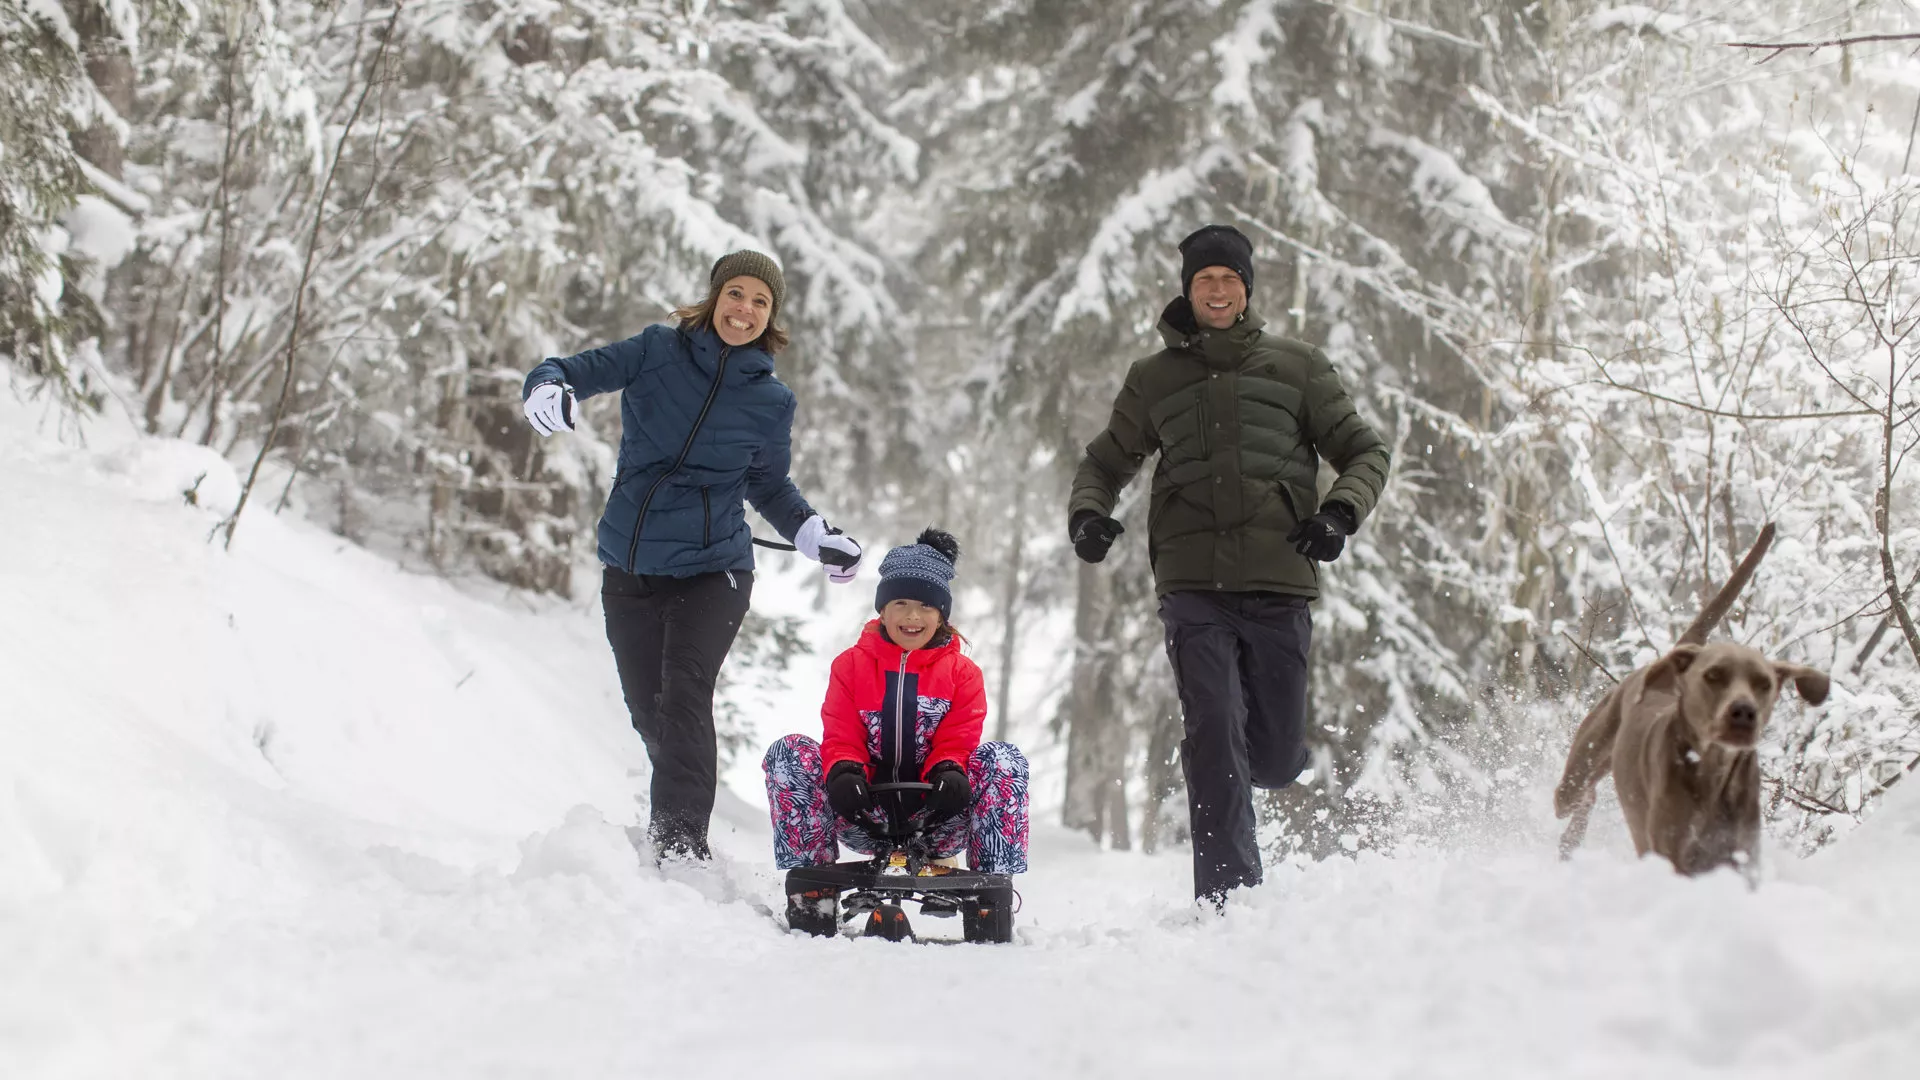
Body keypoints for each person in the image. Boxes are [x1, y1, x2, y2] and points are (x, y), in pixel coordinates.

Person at [1066, 224, 1390, 905]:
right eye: (1204, 280)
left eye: (1229, 280)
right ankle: (1228, 897)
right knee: (1212, 730)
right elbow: (1105, 461)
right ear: (1188, 289)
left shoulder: (1297, 367)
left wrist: (1338, 516)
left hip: (1280, 578)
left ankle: (1266, 762)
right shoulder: (1155, 378)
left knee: (1270, 759)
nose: (1217, 290)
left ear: (1246, 290)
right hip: (1193, 584)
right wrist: (1089, 514)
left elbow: (1365, 451)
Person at [521, 250, 865, 862]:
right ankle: (674, 815)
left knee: (685, 695)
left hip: (714, 568)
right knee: (649, 710)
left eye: (761, 301)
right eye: (737, 293)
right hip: (630, 564)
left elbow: (769, 485)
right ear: (714, 297)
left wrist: (814, 533)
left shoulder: (770, 401)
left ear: (771, 316)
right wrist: (546, 386)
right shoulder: (657, 350)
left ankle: (680, 850)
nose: (746, 309)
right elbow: (572, 369)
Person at [762, 529, 1030, 874]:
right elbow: (841, 732)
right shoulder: (850, 666)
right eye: (901, 603)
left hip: (938, 818)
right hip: (864, 815)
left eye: (925, 606)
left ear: (941, 616)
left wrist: (950, 769)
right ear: (883, 611)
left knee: (1004, 759)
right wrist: (844, 770)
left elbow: (958, 739)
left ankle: (992, 890)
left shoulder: (962, 673)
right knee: (789, 751)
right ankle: (812, 885)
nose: (913, 617)